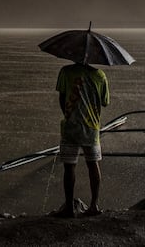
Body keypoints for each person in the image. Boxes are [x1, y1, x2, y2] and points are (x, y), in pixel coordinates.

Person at [53, 62, 110, 218]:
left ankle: (69, 208)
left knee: (69, 167)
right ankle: (93, 206)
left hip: (71, 127)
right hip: (92, 128)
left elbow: (62, 98)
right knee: (93, 165)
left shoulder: (65, 71)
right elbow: (104, 102)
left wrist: (69, 114)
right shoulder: (100, 76)